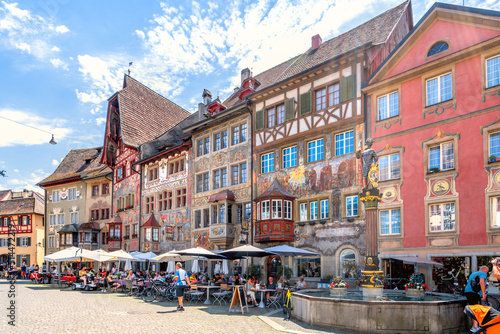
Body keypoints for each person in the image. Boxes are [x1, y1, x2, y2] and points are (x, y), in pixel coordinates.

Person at [465, 265, 489, 333]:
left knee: (473, 308)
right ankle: (475, 327)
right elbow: (482, 282)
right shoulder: (483, 273)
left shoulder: (473, 274)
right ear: (486, 270)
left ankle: (475, 326)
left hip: (468, 292)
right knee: (476, 309)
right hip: (474, 293)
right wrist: (483, 294)